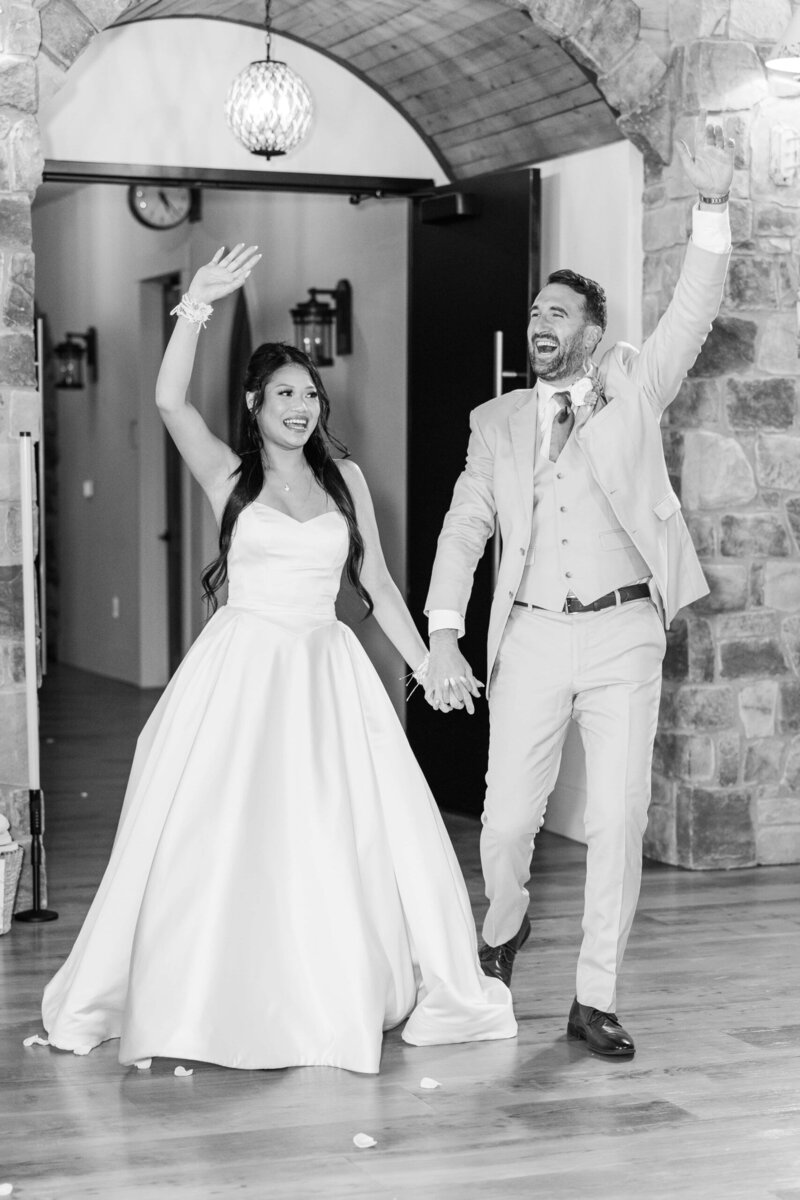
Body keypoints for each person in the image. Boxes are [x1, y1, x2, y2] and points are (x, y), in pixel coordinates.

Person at [41, 243, 516, 1074]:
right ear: (254, 402)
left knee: (334, 831)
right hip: (242, 670)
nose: (302, 406)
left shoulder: (346, 480)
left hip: (326, 671)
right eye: (286, 393)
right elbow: (168, 399)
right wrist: (196, 303)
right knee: (224, 830)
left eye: (311, 394)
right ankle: (211, 993)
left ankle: (326, 990)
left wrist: (428, 661)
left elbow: (377, 584)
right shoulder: (227, 474)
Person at [422, 126, 735, 1059]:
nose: (540, 324)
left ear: (591, 333)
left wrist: (711, 206)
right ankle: (504, 921)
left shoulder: (634, 385)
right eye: (534, 313)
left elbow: (692, 311)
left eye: (557, 313)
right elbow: (464, 528)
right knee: (507, 820)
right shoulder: (496, 421)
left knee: (617, 818)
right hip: (529, 635)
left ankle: (594, 996)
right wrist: (445, 629)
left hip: (624, 630)